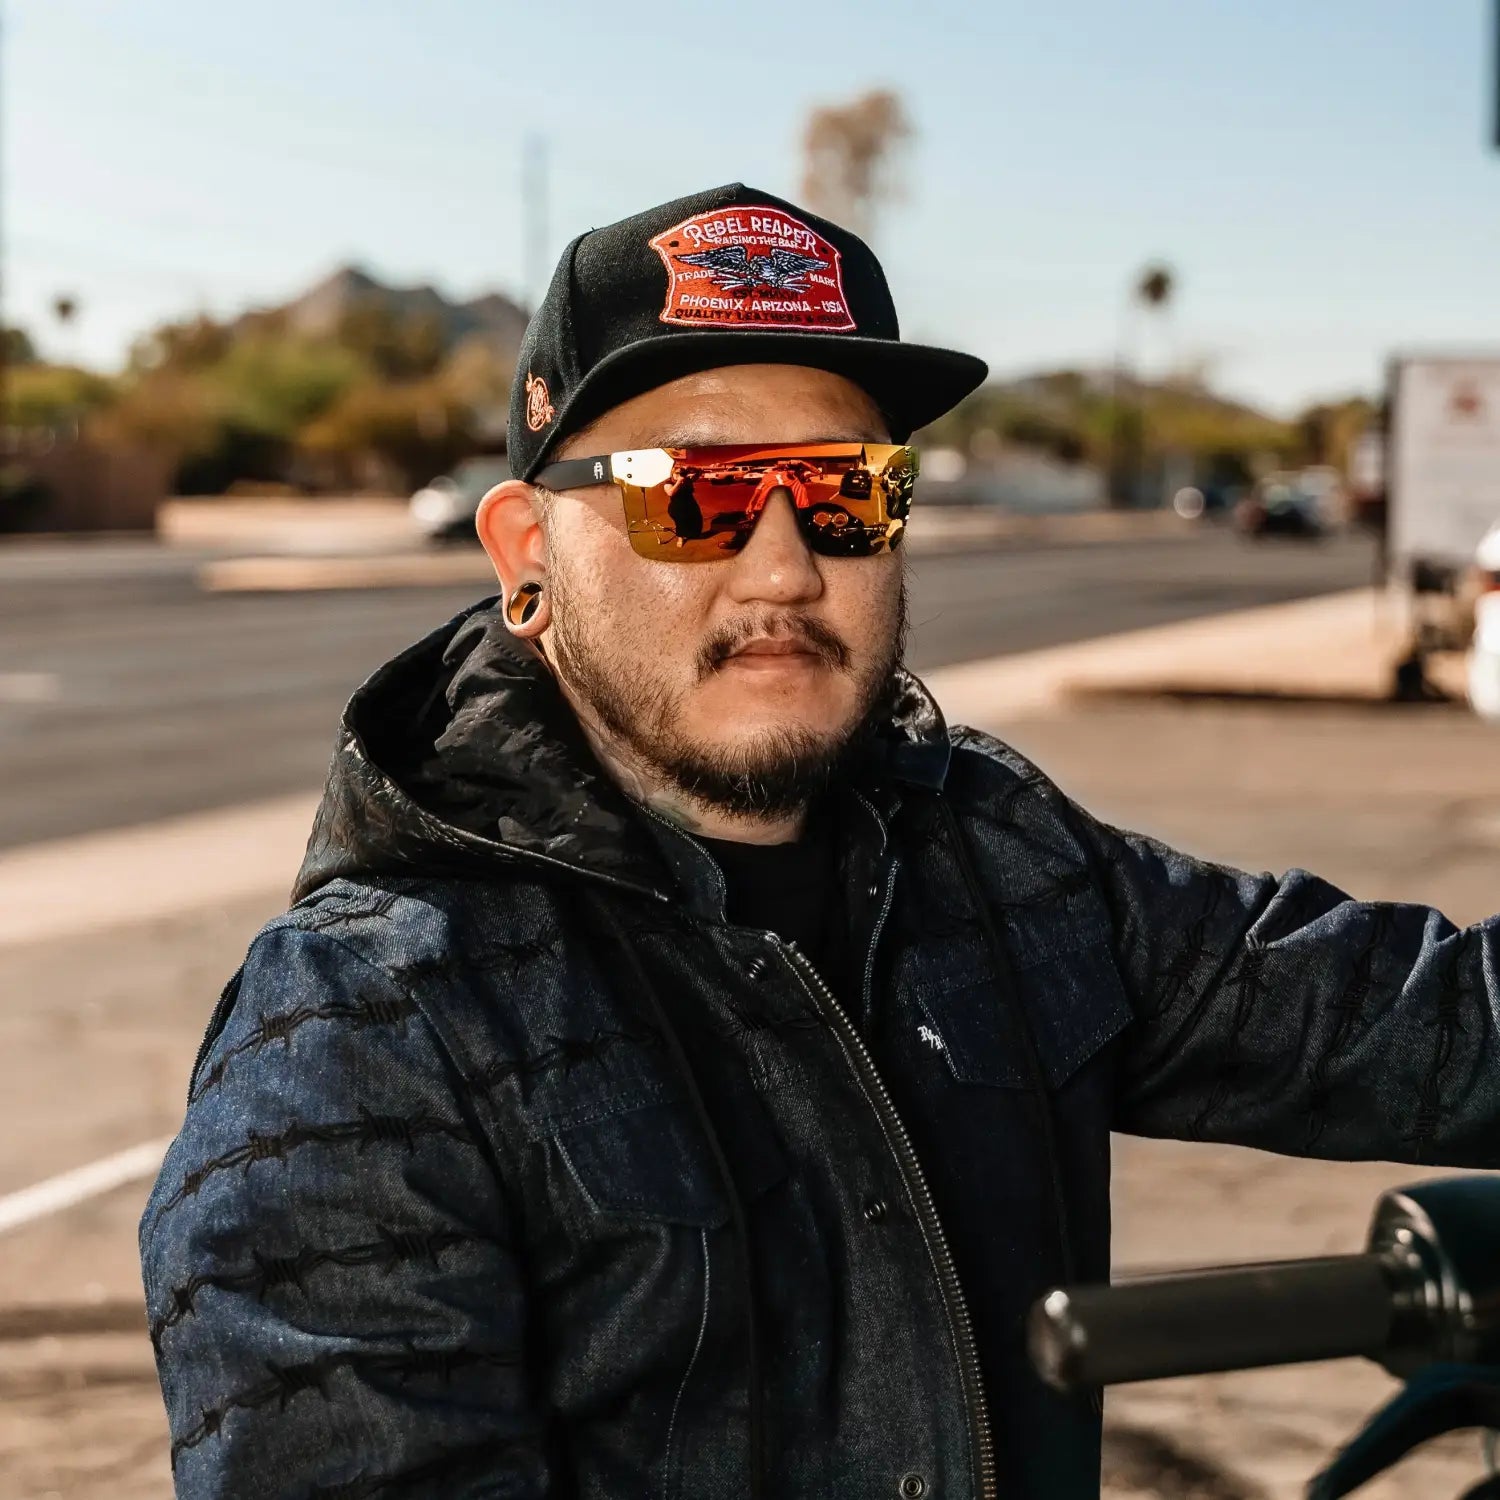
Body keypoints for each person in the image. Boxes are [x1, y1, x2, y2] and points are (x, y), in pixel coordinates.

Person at [141, 183, 1500, 1500]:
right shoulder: (367, 1031)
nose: (786, 564)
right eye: (699, 495)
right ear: (524, 558)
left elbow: (1436, 1023)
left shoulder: (1005, 867)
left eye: (845, 491)